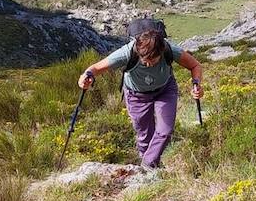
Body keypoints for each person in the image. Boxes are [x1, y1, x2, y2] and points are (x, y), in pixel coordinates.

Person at [78, 22, 203, 168]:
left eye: (153, 60)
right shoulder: (127, 52)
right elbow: (96, 68)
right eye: (145, 61)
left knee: (165, 131)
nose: (148, 64)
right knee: (145, 135)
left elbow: (195, 65)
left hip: (165, 91)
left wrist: (196, 83)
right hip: (136, 96)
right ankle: (151, 166)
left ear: (161, 52)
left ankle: (147, 166)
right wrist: (86, 76)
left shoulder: (169, 49)